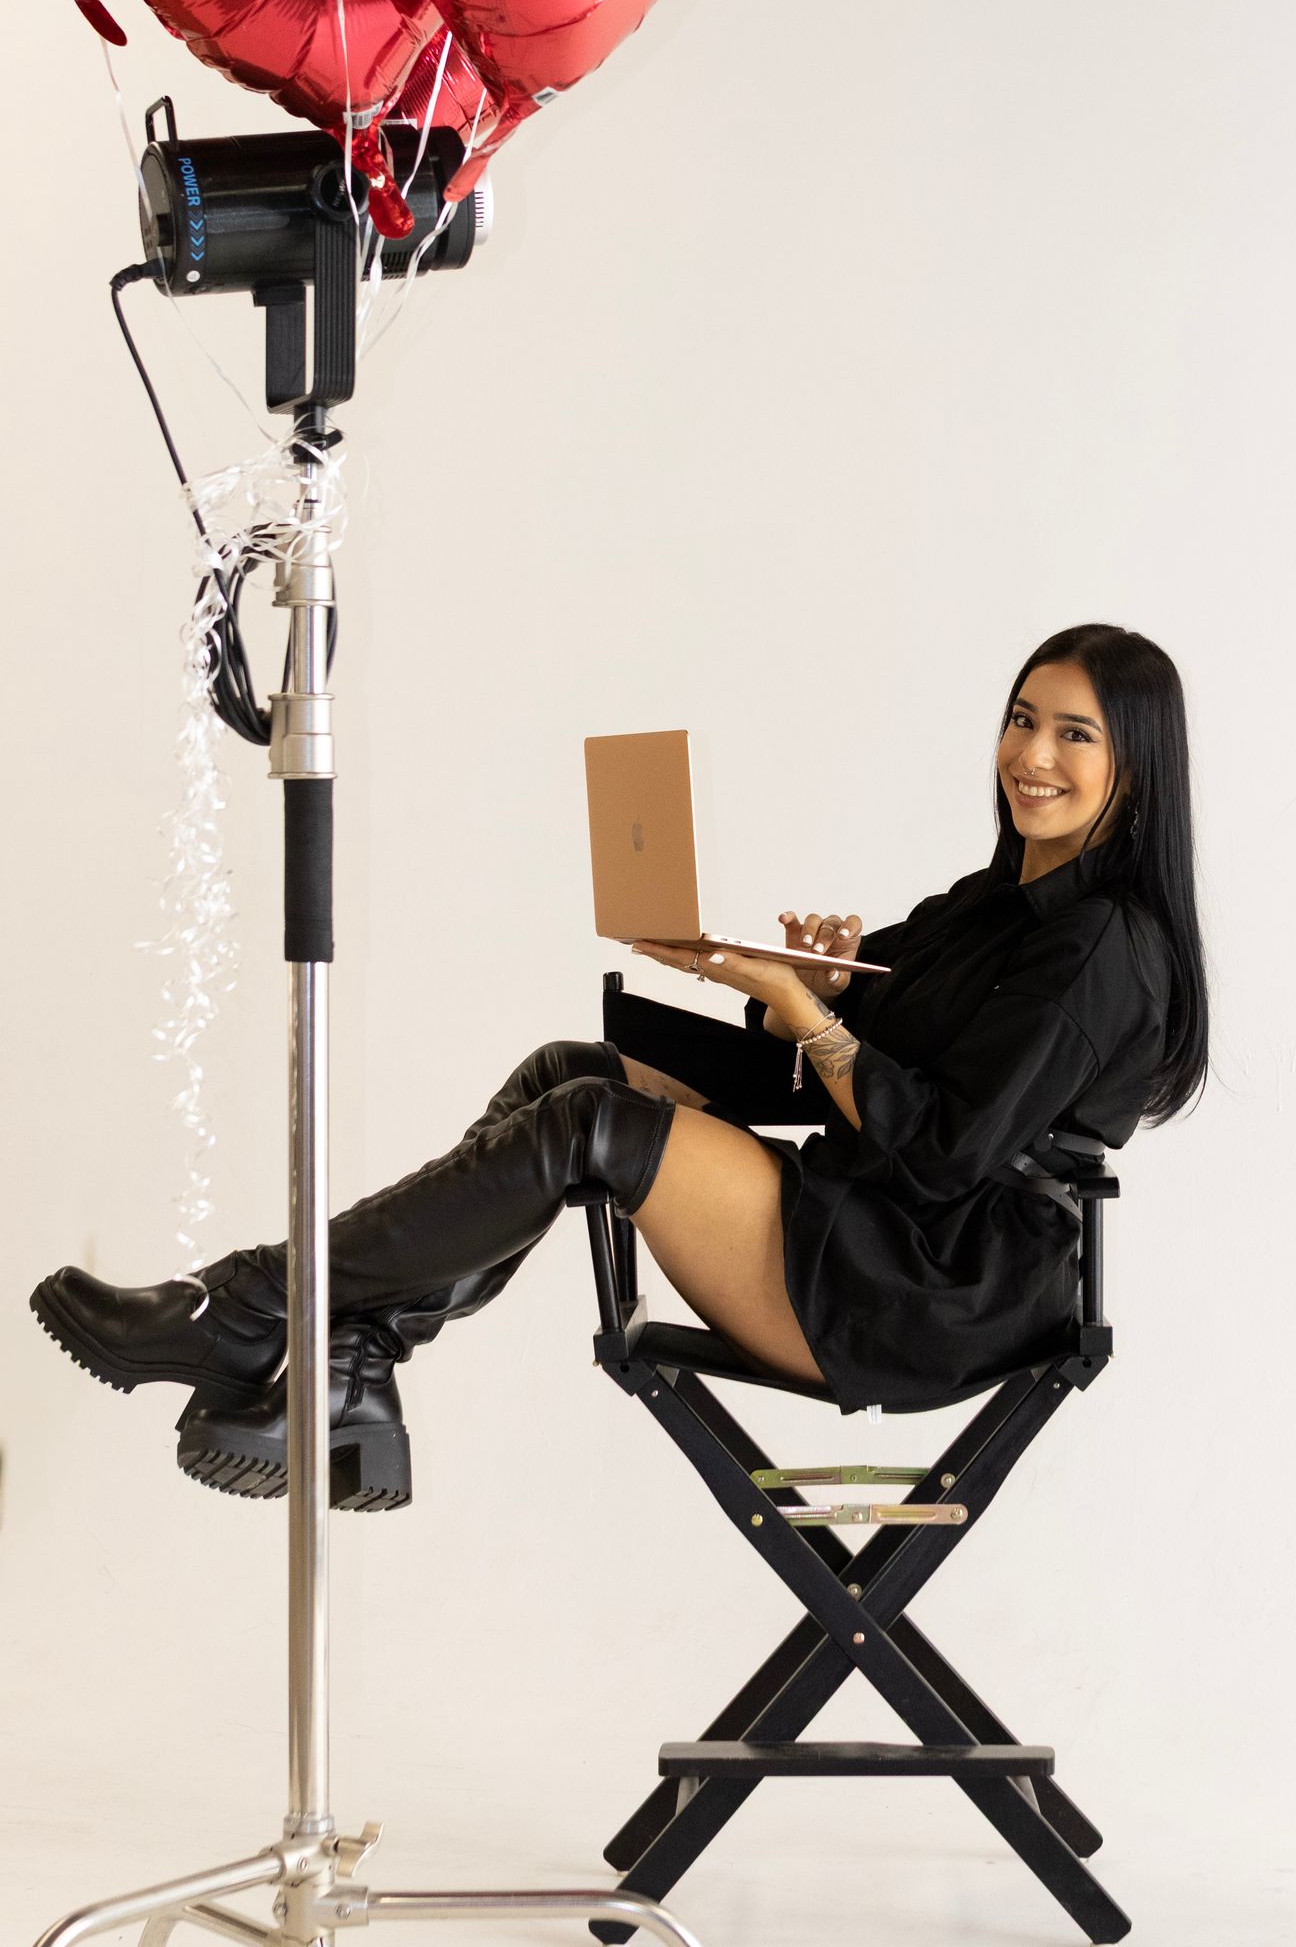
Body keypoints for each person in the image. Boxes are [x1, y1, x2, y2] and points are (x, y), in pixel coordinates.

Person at [34, 623, 1208, 1503]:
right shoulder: (991, 905)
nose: (1031, 754)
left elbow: (945, 1150)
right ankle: (352, 1354)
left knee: (583, 1125)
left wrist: (810, 1011)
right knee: (575, 1072)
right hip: (881, 1229)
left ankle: (247, 1309)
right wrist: (789, 988)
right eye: (1020, 718)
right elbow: (830, 1066)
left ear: (1136, 765)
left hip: (926, 1288)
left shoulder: (1106, 945)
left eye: (1073, 733)